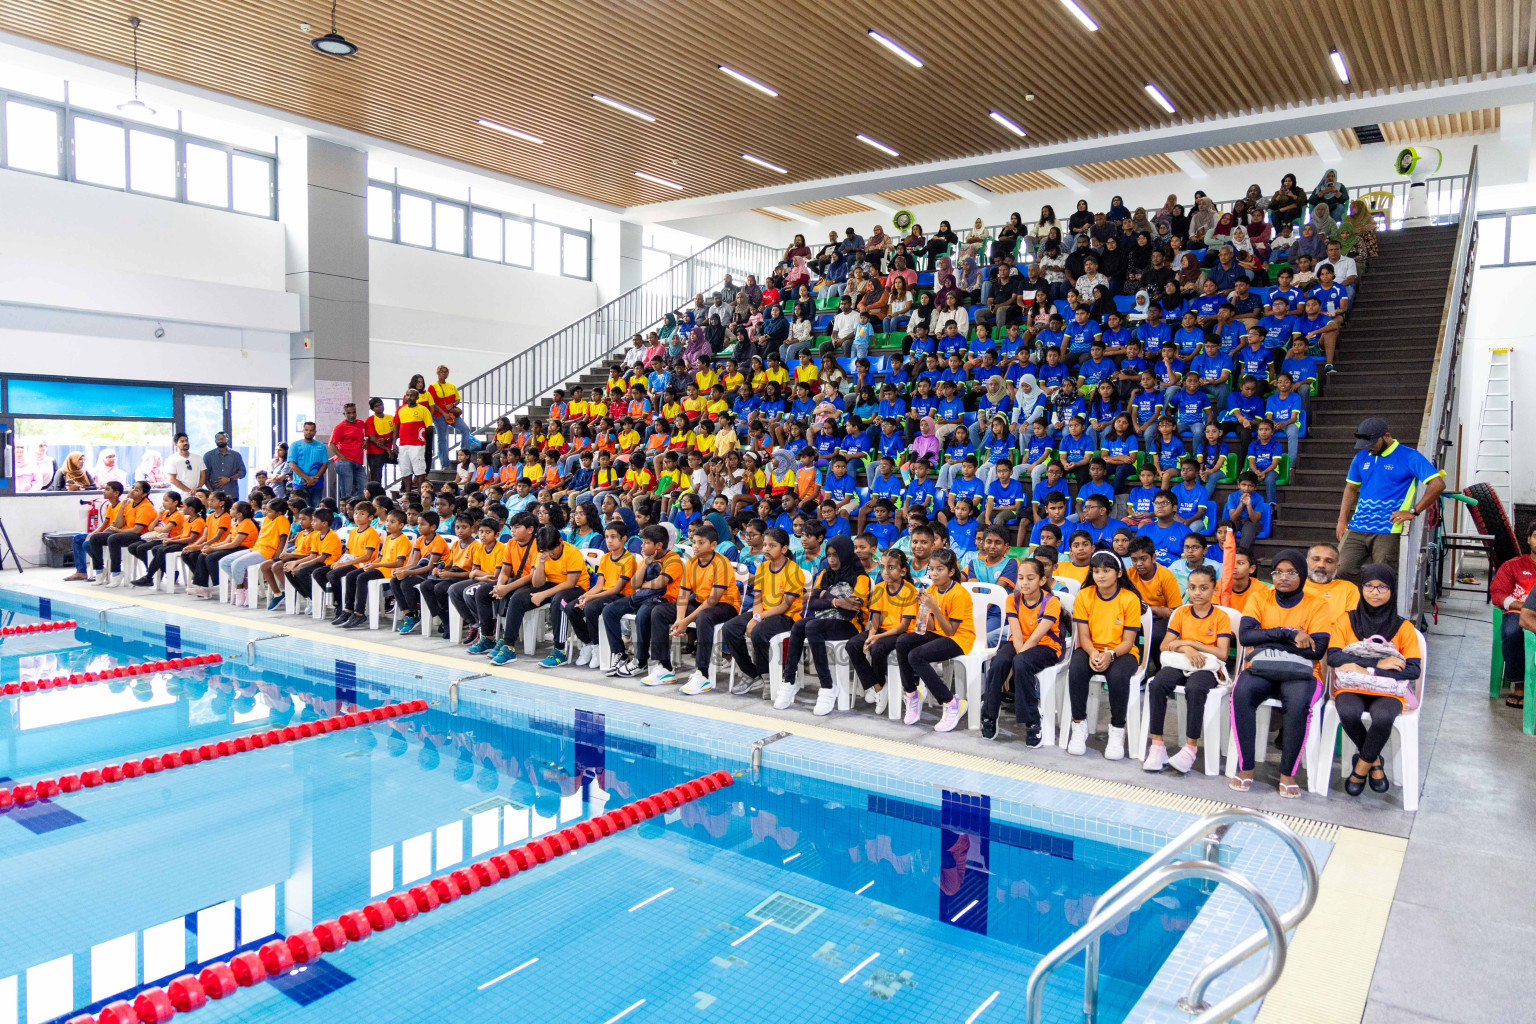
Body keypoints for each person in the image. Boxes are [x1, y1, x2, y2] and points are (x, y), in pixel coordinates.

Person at [1229, 549, 1334, 797]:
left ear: (1302, 575)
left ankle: (1288, 773)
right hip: (1262, 668)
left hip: (1302, 673)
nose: (1283, 577)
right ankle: (1246, 768)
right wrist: (1288, 634)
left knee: (1298, 704)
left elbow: (1316, 651)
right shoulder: (1259, 599)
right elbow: (1245, 637)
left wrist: (1266, 639)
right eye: (1278, 572)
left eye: (1291, 573)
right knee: (1241, 694)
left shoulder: (1317, 605)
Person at [1326, 563, 1423, 797]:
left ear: (1392, 591)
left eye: (1382, 587)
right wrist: (1377, 664)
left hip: (1388, 690)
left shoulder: (1403, 627)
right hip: (1351, 687)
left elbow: (1412, 670)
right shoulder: (1346, 620)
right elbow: (1334, 656)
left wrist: (1361, 667)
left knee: (1383, 717)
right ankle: (1375, 762)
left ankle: (1361, 768)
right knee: (1347, 712)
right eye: (1368, 586)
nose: (1374, 592)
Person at [1142, 565, 1231, 773]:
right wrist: (1187, 648)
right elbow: (1165, 646)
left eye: (1203, 588)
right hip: (1181, 662)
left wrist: (1191, 644)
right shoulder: (1181, 613)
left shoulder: (1221, 617)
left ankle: (1190, 748)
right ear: (1187, 590)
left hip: (1206, 667)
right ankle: (1157, 745)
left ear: (1214, 590)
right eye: (1192, 588)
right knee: (1158, 684)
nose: (1197, 593)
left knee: (1195, 689)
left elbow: (1222, 653)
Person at [1335, 418, 1445, 584]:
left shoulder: (1409, 456)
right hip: (1357, 526)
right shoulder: (1361, 456)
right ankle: (1363, 601)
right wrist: (1342, 520)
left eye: (1372, 443)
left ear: (1386, 436)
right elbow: (1350, 489)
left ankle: (1378, 603)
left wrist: (1414, 511)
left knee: (1383, 577)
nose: (1368, 448)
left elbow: (1437, 484)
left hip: (1389, 527)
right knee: (1340, 568)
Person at [1064, 551, 1146, 758]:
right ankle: (1078, 725)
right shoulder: (1085, 595)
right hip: (1091, 647)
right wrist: (1093, 653)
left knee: (1118, 677)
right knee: (1077, 668)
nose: (1100, 575)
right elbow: (1083, 636)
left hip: (1122, 652)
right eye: (1096, 571)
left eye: (1106, 571)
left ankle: (1117, 731)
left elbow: (1128, 642)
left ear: (1118, 573)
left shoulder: (1130, 598)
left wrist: (1109, 655)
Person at [779, 536, 871, 715]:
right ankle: (789, 680)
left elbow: (850, 611)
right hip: (825, 620)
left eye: (836, 555)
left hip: (850, 626)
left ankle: (827, 686)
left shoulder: (861, 578)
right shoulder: (824, 574)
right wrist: (837, 601)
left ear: (845, 554)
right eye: (828, 555)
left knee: (812, 627)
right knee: (799, 626)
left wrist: (824, 595)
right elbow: (812, 604)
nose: (831, 560)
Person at [981, 555, 1062, 744]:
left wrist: (1014, 668)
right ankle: (989, 716)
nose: (1024, 583)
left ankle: (1033, 721)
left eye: (1030, 578)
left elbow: (1035, 639)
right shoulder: (1012, 599)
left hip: (1046, 646)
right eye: (1020, 577)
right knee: (999, 661)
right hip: (1020, 643)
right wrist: (1010, 667)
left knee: (1020, 662)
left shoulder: (1051, 602)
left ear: (1042, 580)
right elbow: (1017, 636)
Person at [894, 548, 974, 732]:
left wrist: (934, 607)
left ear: (951, 571)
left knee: (916, 656)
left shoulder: (959, 594)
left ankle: (951, 702)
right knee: (903, 642)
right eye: (931, 569)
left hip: (961, 638)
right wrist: (921, 607)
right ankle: (912, 694)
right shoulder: (931, 589)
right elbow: (930, 626)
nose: (934, 573)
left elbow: (951, 631)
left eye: (940, 569)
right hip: (938, 632)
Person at [723, 527, 805, 696]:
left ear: (784, 549)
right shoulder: (762, 568)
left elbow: (784, 606)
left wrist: (758, 618)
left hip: (786, 616)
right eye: (766, 545)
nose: (766, 549)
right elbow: (757, 598)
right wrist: (756, 616)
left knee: (759, 632)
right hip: (764, 612)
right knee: (730, 628)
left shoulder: (794, 571)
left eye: (772, 545)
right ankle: (751, 673)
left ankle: (768, 677)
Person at [496, 525, 588, 666]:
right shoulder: (542, 554)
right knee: (517, 597)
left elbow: (570, 583)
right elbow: (537, 584)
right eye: (545, 551)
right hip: (550, 584)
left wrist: (543, 594)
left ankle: (559, 650)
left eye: (552, 550)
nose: (549, 554)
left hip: (575, 588)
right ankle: (508, 646)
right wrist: (540, 563)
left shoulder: (572, 552)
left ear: (560, 542)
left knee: (559, 601)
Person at [846, 550, 917, 714]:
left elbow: (904, 626)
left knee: (878, 647)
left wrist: (878, 637)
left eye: (891, 567)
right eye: (883, 567)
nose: (885, 572)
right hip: (882, 630)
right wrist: (871, 635)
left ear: (903, 571)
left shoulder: (909, 590)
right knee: (853, 645)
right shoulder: (879, 588)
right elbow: (875, 618)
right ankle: (878, 687)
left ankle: (878, 685)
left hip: (900, 633)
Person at [1490, 520, 1536, 707]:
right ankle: (1520, 684)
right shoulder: (1513, 565)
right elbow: (1498, 594)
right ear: (1529, 540)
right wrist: (1521, 606)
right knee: (1513, 631)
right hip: (1517, 613)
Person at [395, 388, 433, 491]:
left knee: (419, 469)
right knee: (405, 470)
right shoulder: (400, 409)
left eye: (411, 395)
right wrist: (394, 443)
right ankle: (408, 493)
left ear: (417, 397)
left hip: (417, 445)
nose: (409, 397)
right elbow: (396, 426)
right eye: (407, 395)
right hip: (403, 444)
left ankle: (421, 494)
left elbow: (430, 427)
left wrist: (420, 435)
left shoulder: (423, 409)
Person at [328, 403, 368, 500]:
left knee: (363, 488)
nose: (352, 415)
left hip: (358, 461)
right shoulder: (339, 427)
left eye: (354, 412)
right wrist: (342, 458)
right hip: (344, 461)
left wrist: (365, 441)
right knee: (347, 491)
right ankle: (346, 513)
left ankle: (360, 512)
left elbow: (364, 437)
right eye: (349, 413)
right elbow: (331, 444)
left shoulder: (361, 423)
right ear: (344, 414)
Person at [287, 421, 329, 507]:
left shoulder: (321, 446)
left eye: (311, 430)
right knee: (301, 509)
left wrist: (315, 478)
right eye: (306, 430)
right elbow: (292, 464)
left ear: (315, 432)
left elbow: (325, 464)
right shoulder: (295, 445)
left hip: (317, 483)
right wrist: (307, 478)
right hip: (299, 484)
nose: (309, 432)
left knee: (316, 510)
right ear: (303, 430)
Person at [203, 432, 246, 499]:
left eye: (223, 439)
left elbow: (242, 473)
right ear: (215, 441)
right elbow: (205, 477)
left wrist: (229, 479)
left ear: (228, 440)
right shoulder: (208, 456)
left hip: (231, 494)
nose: (220, 441)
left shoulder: (236, 455)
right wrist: (211, 492)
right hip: (215, 495)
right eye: (218, 439)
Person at [363, 397, 396, 486]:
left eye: (381, 404)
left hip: (388, 450)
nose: (380, 407)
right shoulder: (370, 420)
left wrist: (388, 440)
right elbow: (373, 439)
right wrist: (387, 449)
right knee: (376, 477)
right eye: (377, 406)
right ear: (372, 409)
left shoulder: (391, 418)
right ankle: (374, 496)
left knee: (405, 462)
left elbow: (396, 434)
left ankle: (404, 486)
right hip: (375, 452)